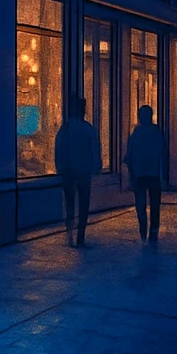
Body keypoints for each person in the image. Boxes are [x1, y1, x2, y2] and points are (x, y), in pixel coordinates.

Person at [54, 94, 101, 247]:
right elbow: (94, 149)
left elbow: (59, 148)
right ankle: (80, 236)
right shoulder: (88, 128)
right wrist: (96, 166)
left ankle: (69, 233)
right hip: (83, 171)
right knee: (83, 204)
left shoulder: (66, 128)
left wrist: (60, 166)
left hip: (68, 171)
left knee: (69, 202)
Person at [124, 104, 165, 241]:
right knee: (155, 203)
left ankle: (143, 228)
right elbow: (163, 152)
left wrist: (131, 172)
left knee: (140, 203)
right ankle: (154, 229)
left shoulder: (136, 133)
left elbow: (128, 156)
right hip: (154, 173)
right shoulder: (156, 132)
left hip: (139, 173)